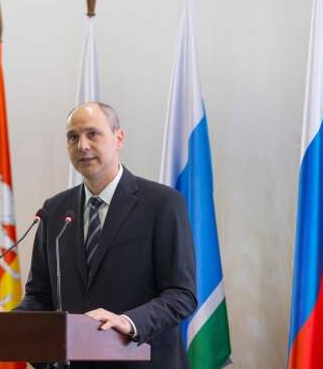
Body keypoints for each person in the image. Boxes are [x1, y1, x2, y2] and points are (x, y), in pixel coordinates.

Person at [16, 102, 197, 368]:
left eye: (92, 134)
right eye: (73, 137)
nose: (82, 146)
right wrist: (10, 320)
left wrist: (128, 322)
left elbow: (181, 294)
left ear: (118, 138)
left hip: (142, 360)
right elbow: (40, 297)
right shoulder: (54, 211)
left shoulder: (162, 204)